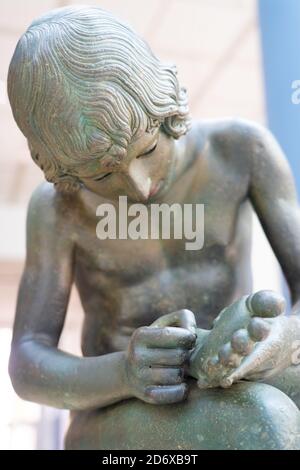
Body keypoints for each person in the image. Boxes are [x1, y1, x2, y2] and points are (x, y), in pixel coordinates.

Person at [7, 6, 300, 449]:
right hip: (118, 407)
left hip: (232, 379)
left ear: (166, 109)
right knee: (261, 419)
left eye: (147, 149)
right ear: (65, 172)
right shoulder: (56, 208)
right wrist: (124, 372)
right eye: (102, 174)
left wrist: (282, 340)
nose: (138, 187)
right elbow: (27, 362)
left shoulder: (242, 151)